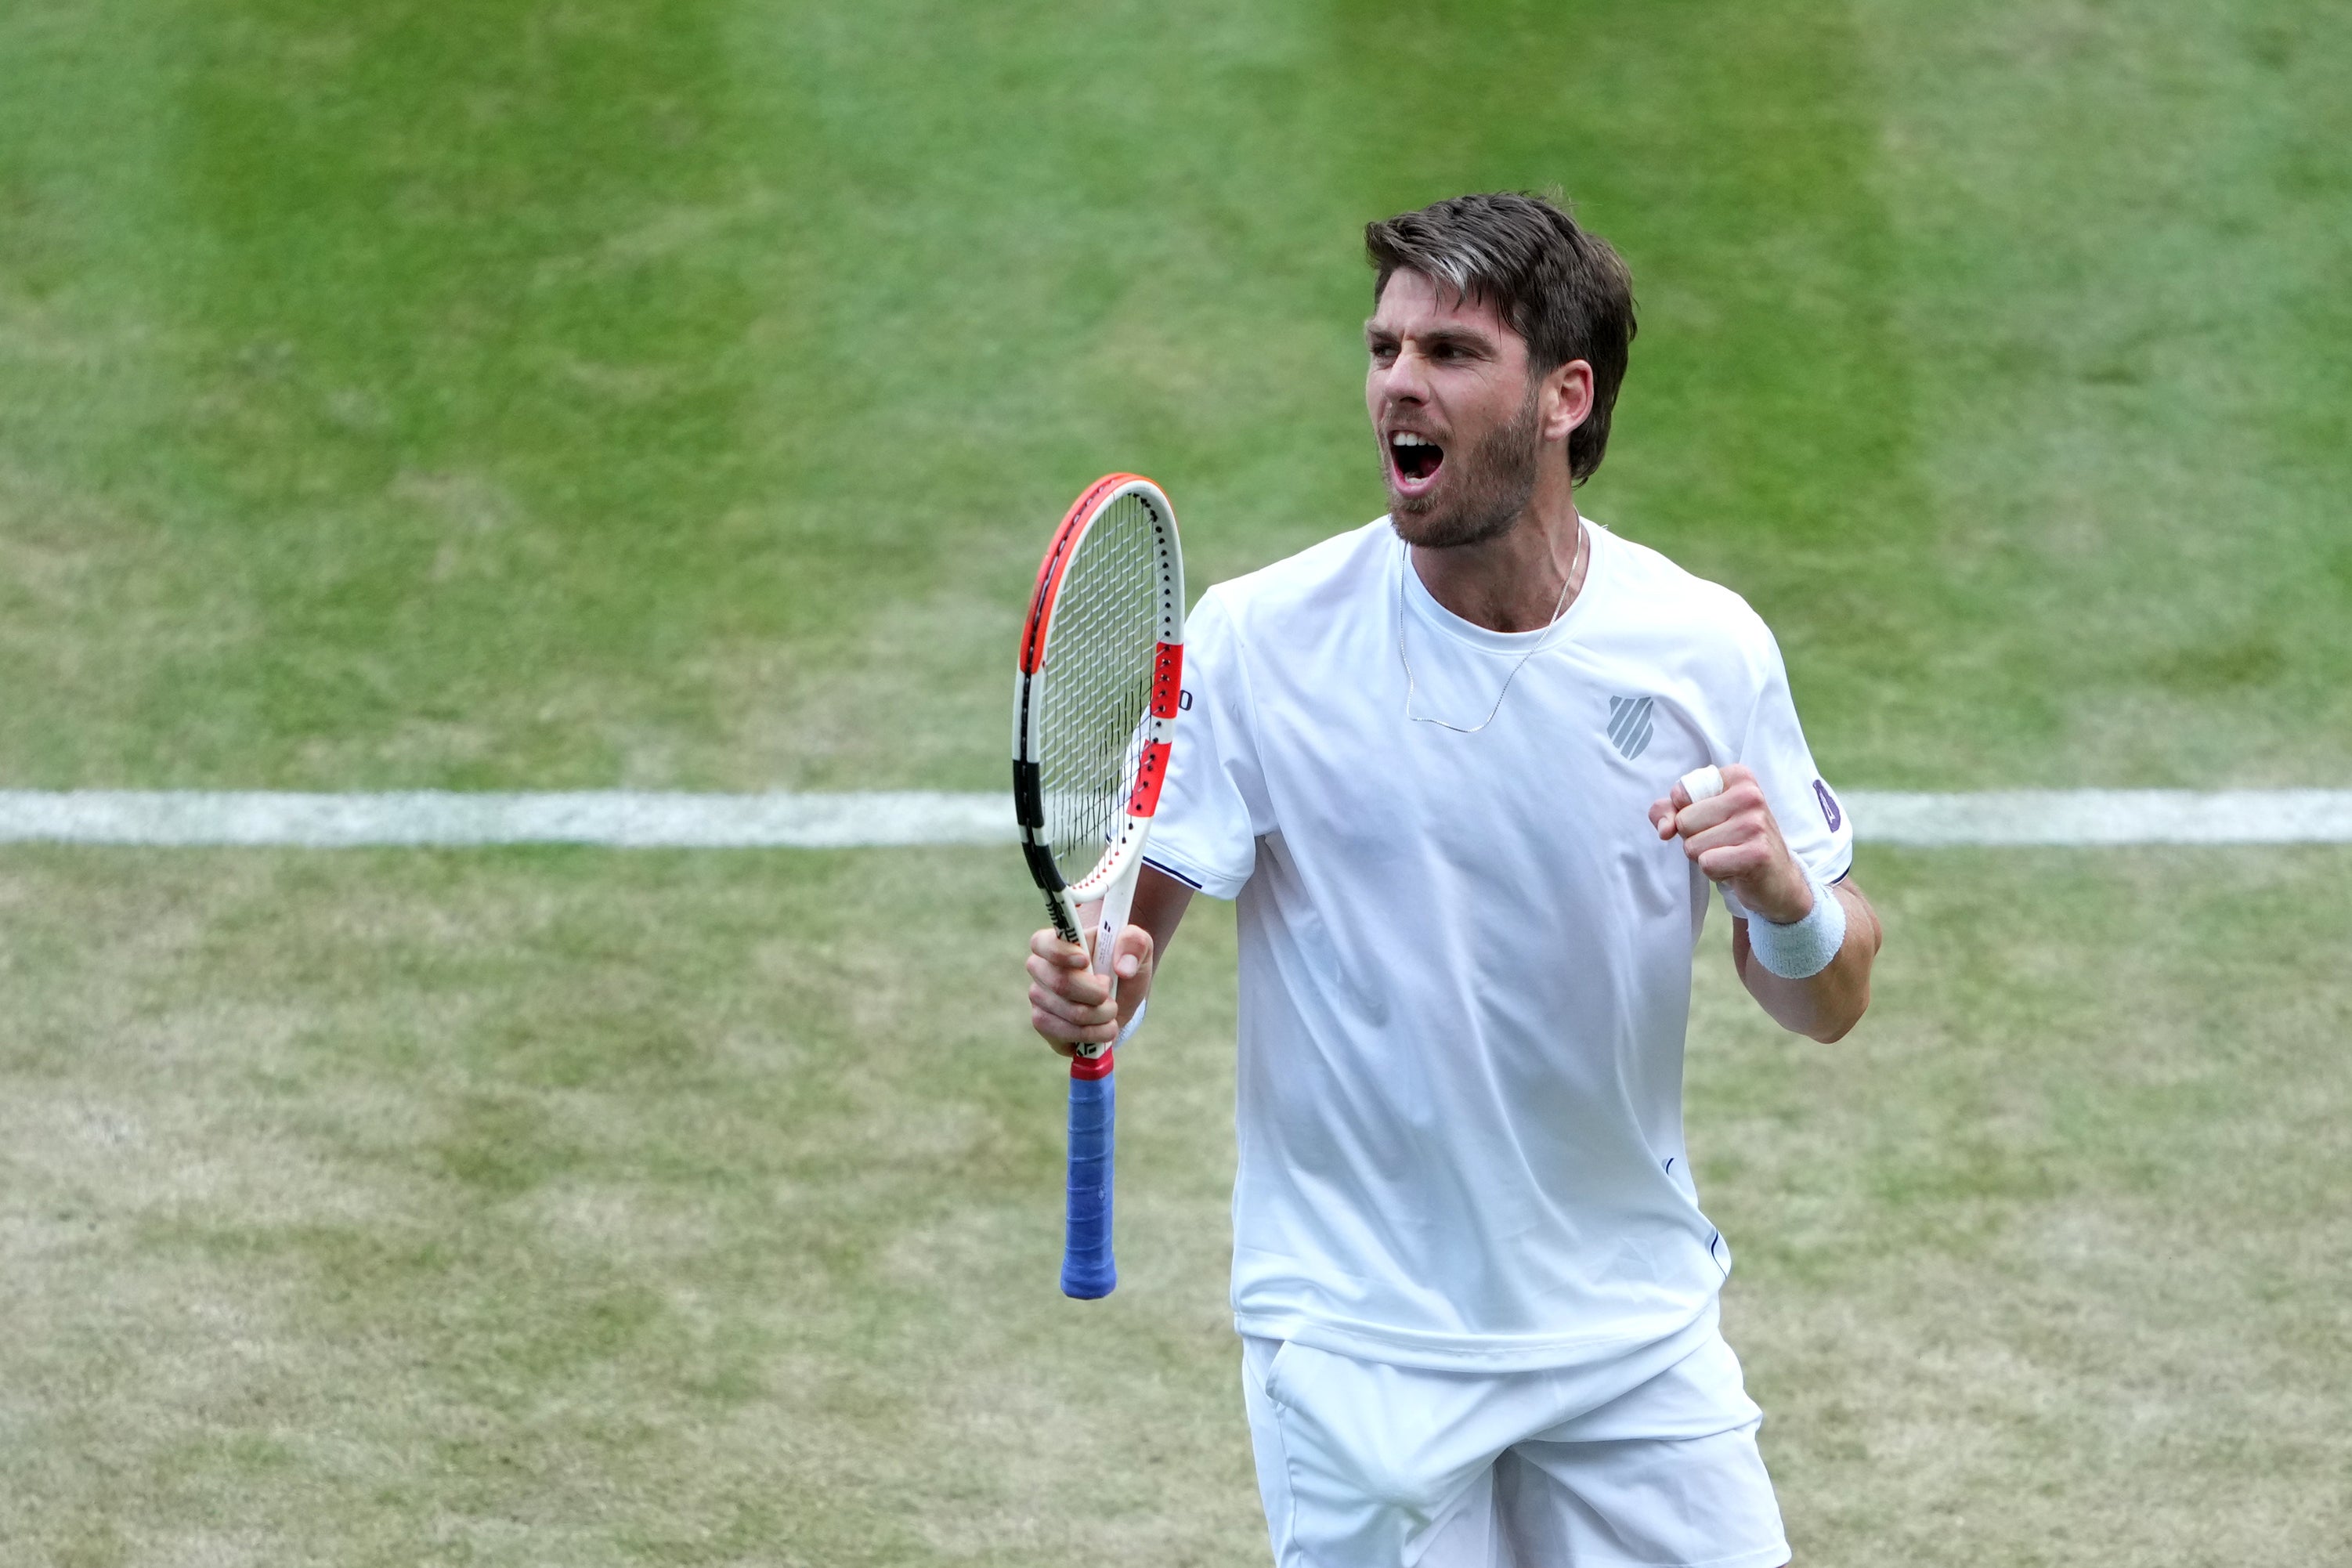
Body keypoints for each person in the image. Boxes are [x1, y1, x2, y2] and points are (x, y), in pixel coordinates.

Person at [1024, 191, 1881, 1568]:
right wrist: (1093, 986)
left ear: (1565, 395)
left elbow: (1832, 997)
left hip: (1627, 1327)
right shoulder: (1257, 642)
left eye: (1451, 353)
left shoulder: (1704, 648)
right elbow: (1124, 946)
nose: (1397, 387)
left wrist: (1788, 900)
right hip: (1366, 1340)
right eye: (1383, 350)